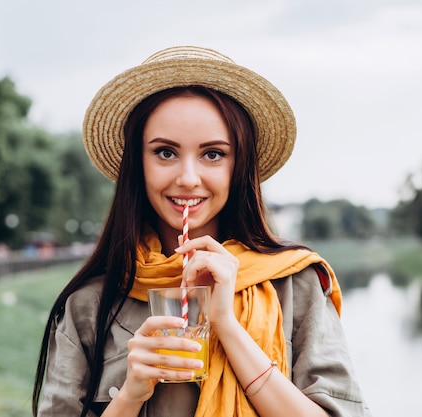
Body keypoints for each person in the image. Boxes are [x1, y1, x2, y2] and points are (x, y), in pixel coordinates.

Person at [32, 46, 372, 417]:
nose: (188, 178)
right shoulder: (89, 305)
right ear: (138, 164)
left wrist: (227, 325)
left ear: (238, 166)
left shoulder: (297, 285)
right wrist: (129, 395)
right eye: (165, 152)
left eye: (213, 154)